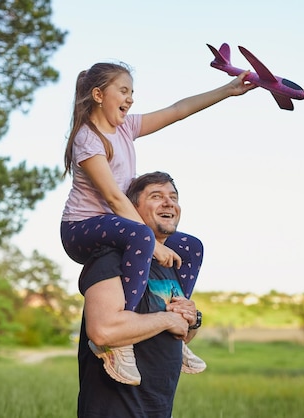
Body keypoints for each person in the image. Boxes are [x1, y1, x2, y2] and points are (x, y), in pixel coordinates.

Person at [60, 61, 255, 384]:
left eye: (132, 92)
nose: (131, 99)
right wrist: (151, 246)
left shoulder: (124, 128)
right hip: (82, 229)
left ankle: (177, 314)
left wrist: (228, 91)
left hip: (118, 225)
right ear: (97, 95)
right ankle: (122, 336)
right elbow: (113, 197)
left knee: (189, 246)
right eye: (123, 91)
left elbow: (178, 110)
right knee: (142, 235)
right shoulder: (88, 138)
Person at [77, 171, 204, 418]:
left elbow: (175, 337)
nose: (169, 203)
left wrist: (192, 319)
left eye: (173, 197)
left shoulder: (170, 266)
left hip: (158, 408)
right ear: (131, 209)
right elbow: (103, 330)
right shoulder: (111, 259)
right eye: (156, 196)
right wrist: (168, 319)